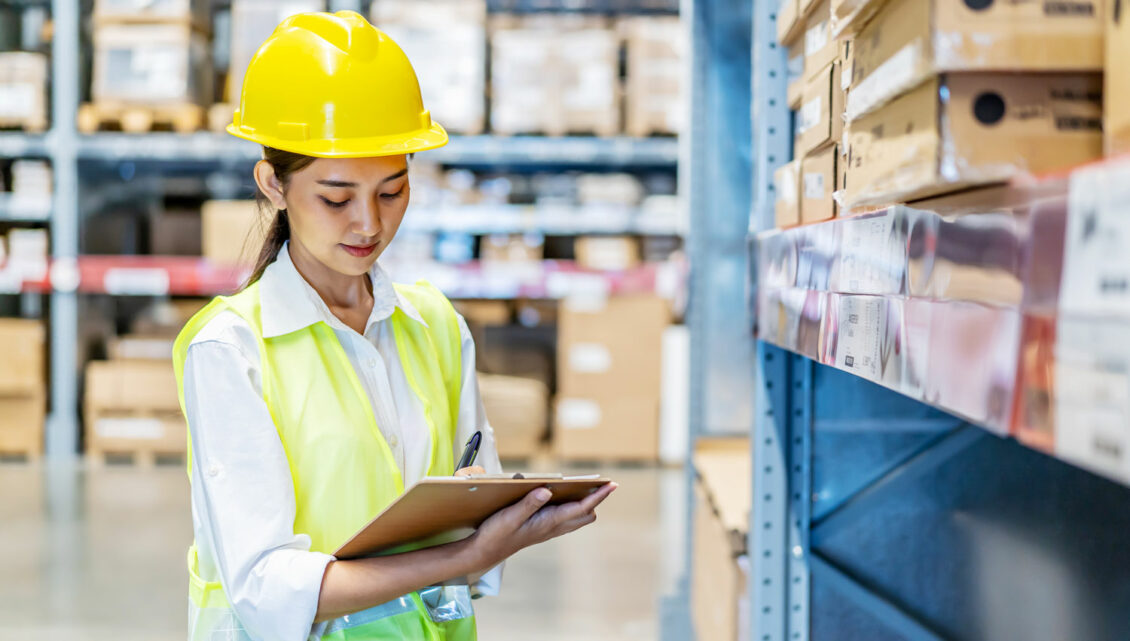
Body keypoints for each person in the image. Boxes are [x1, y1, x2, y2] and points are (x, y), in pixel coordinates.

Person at [171, 11, 615, 641]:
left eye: (393, 190)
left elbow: (468, 509)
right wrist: (465, 556)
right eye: (335, 196)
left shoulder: (433, 325)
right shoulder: (232, 351)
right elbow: (267, 592)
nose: (368, 225)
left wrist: (501, 518)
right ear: (273, 184)